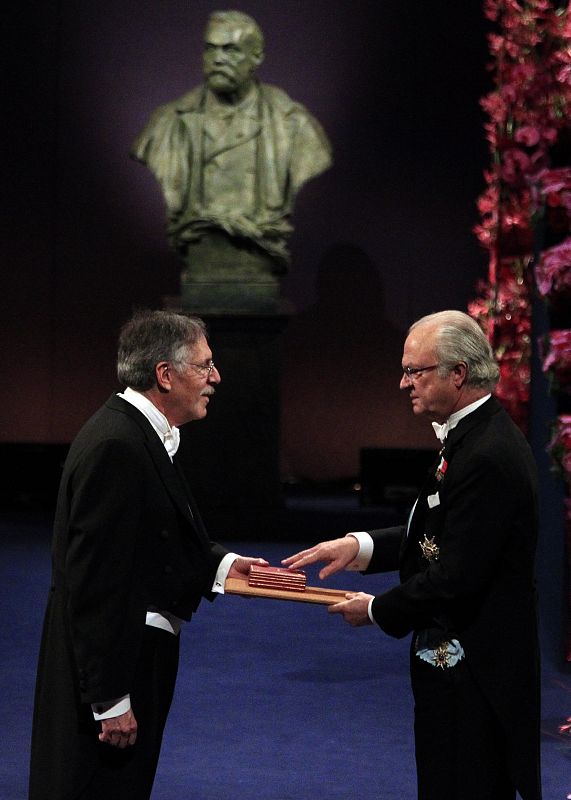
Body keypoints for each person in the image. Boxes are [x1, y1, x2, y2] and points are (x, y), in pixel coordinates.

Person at [283, 310, 541, 800]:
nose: (403, 384)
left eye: (414, 371)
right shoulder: (470, 436)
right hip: (457, 668)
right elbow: (436, 534)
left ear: (457, 373)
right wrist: (358, 546)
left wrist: (377, 609)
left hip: (477, 677)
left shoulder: (487, 454)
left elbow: (456, 575)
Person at [29, 309, 268, 800]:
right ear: (165, 373)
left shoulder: (138, 434)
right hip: (117, 669)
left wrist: (221, 566)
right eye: (205, 365)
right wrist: (110, 699)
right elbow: (95, 581)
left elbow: (154, 536)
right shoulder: (118, 445)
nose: (215, 377)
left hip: (136, 656)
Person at [130, 10, 332, 311]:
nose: (218, 58)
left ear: (257, 57)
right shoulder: (168, 123)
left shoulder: (293, 125)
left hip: (260, 270)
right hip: (199, 268)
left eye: (231, 49)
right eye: (210, 48)